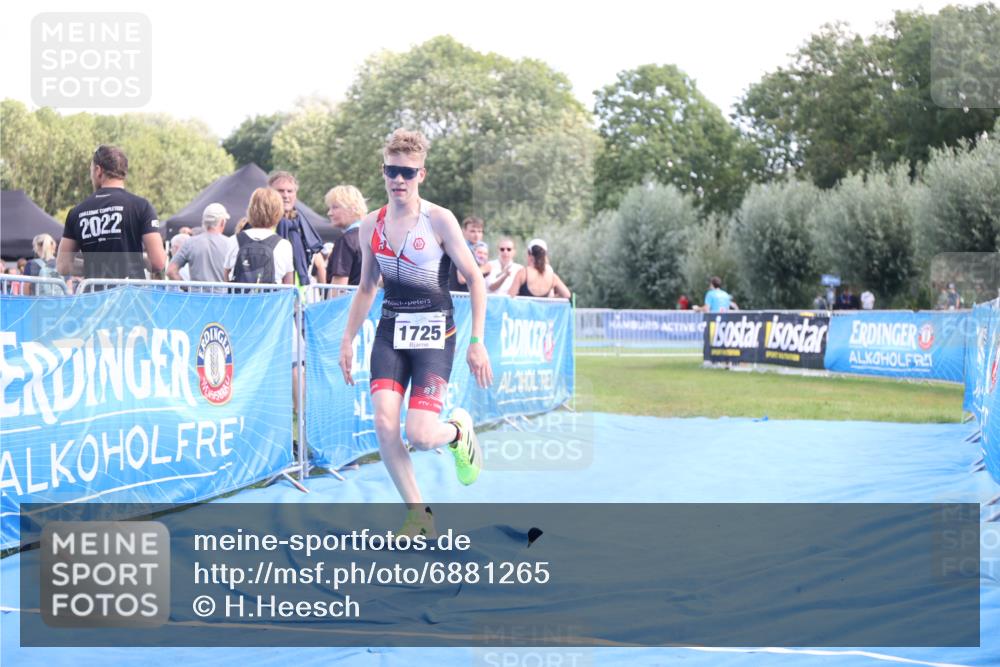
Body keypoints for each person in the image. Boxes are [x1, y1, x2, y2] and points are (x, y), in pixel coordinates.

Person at [338, 129, 493, 538]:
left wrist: (477, 342)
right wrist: (347, 339)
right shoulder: (369, 225)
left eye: (407, 172)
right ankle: (418, 514)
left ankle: (458, 432)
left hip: (435, 336)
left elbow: (476, 280)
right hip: (391, 334)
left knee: (421, 435)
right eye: (392, 170)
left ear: (421, 174)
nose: (399, 180)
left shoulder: (439, 219)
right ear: (383, 171)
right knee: (384, 426)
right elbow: (367, 287)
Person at [57, 145, 166, 281]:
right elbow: (158, 262)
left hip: (93, 297)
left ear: (98, 170)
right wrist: (136, 262)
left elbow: (63, 265)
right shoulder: (141, 206)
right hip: (131, 296)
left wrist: (97, 267)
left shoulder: (77, 212)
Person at [224, 188, 294, 285]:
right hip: (270, 299)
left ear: (251, 210)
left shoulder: (234, 240)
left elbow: (226, 276)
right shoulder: (284, 245)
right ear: (278, 212)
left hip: (239, 299)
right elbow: (288, 284)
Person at [269, 171, 323, 288]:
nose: (285, 195)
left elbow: (318, 262)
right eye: (280, 191)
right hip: (271, 295)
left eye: (290, 191)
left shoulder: (302, 224)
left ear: (295, 194)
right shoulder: (262, 223)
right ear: (270, 194)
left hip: (299, 296)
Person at [167, 202, 234, 289]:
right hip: (221, 299)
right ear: (222, 222)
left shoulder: (190, 243)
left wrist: (189, 289)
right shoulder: (230, 243)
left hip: (197, 299)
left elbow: (170, 271)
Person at [324, 184, 367, 286]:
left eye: (335, 207)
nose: (329, 213)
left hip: (350, 301)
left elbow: (338, 288)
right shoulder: (376, 236)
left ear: (352, 208)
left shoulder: (347, 240)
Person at [448, 216, 491, 292]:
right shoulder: (462, 248)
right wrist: (483, 270)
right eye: (472, 231)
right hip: (460, 296)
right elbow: (462, 279)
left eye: (479, 231)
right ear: (463, 231)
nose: (476, 235)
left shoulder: (481, 249)